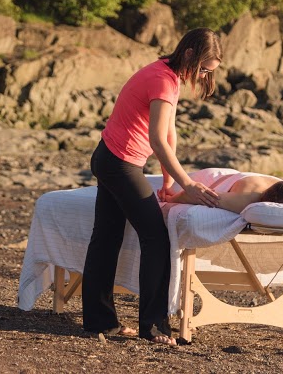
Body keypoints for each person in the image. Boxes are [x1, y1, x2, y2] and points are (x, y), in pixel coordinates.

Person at [82, 28, 223, 346]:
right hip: (118, 164)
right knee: (156, 237)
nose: (202, 75)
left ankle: (98, 321)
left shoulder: (165, 73)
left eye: (208, 72)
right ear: (189, 54)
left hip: (109, 158)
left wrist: (170, 183)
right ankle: (154, 326)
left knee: (106, 239)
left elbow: (169, 135)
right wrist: (189, 183)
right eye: (202, 68)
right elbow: (158, 140)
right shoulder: (162, 80)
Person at [166, 171, 283, 279]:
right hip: (209, 178)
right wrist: (168, 200)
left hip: (237, 174)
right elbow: (196, 195)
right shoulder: (246, 200)